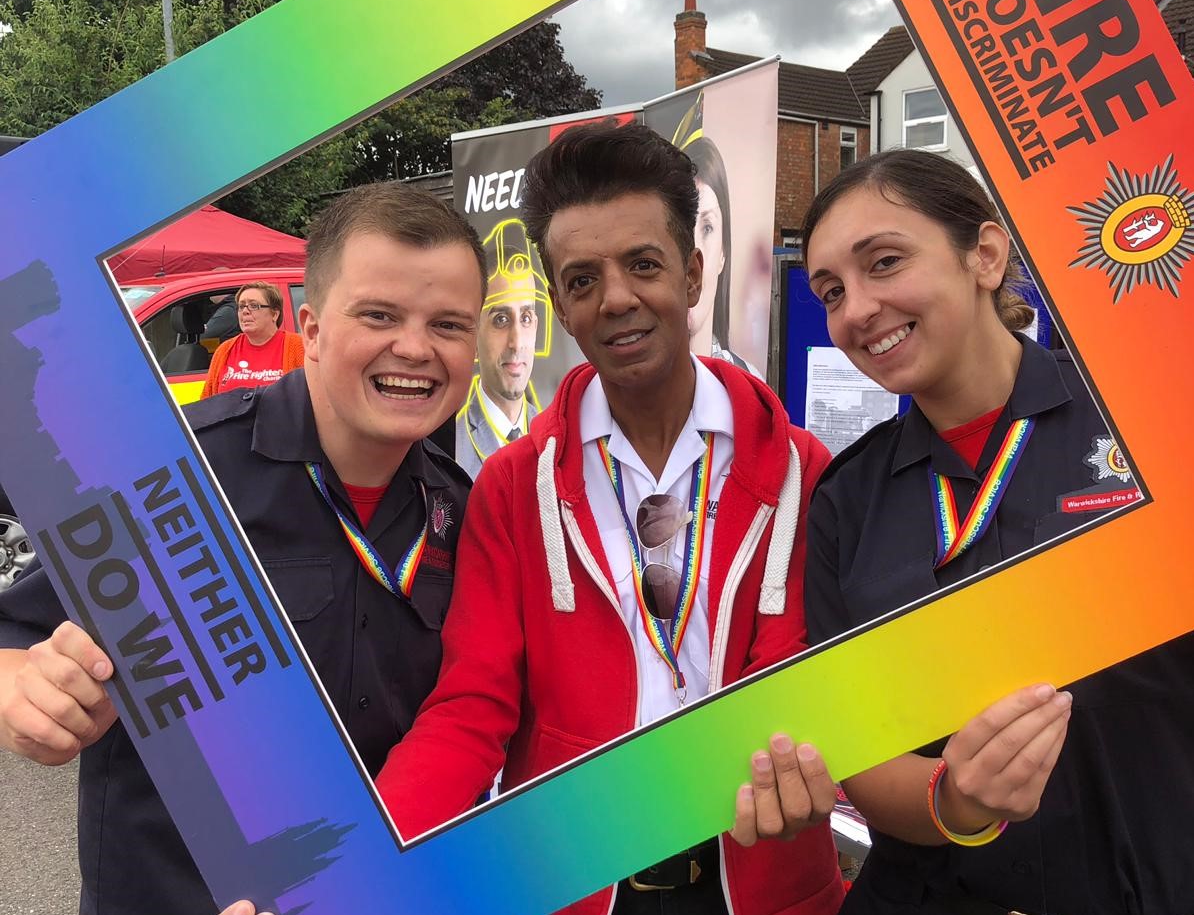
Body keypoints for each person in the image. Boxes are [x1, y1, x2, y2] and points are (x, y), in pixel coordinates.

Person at [377, 122, 845, 915]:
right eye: (584, 278)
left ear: (694, 276)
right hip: (577, 887)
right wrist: (365, 866)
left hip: (765, 885)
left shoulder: (803, 471)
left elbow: (820, 684)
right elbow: (471, 705)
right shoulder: (514, 487)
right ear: (561, 304)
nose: (618, 297)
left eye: (644, 265)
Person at [0, 183, 484, 915]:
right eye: (379, 315)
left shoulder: (458, 508)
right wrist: (19, 687)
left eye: (448, 324)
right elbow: (14, 634)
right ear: (313, 330)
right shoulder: (171, 473)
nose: (414, 347)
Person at [753, 148, 1194, 914]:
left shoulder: (1152, 425)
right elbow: (857, 750)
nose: (854, 310)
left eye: (883, 263)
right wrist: (955, 803)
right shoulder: (845, 501)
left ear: (985, 255)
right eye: (830, 291)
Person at [455, 222, 545, 478]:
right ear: (472, 335)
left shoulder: (558, 439)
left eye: (526, 318)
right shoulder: (452, 448)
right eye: (501, 320)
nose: (516, 343)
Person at [684, 136, 760, 376]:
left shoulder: (749, 383)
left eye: (707, 228)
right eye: (682, 228)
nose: (693, 252)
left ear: (723, 252)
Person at [199, 281, 304, 398]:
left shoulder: (298, 346)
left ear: (274, 314)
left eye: (254, 306)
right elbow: (207, 401)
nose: (245, 311)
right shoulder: (225, 350)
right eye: (241, 306)